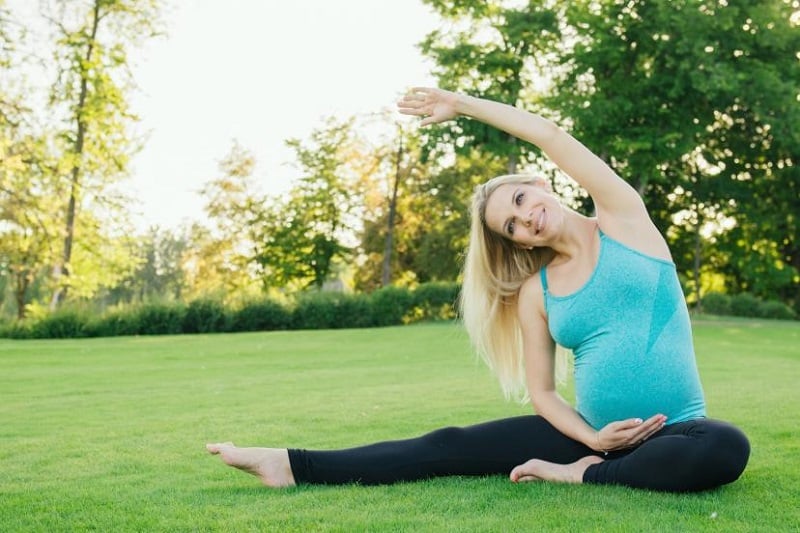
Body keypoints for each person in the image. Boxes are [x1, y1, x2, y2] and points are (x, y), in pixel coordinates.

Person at [206, 87, 750, 493]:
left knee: (729, 448)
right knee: (450, 445)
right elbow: (543, 394)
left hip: (681, 430)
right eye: (509, 227)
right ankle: (289, 463)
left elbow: (551, 135)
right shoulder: (538, 291)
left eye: (518, 202)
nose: (525, 220)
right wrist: (591, 441)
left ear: (538, 184)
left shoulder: (625, 220)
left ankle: (582, 478)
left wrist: (461, 104)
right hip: (589, 436)